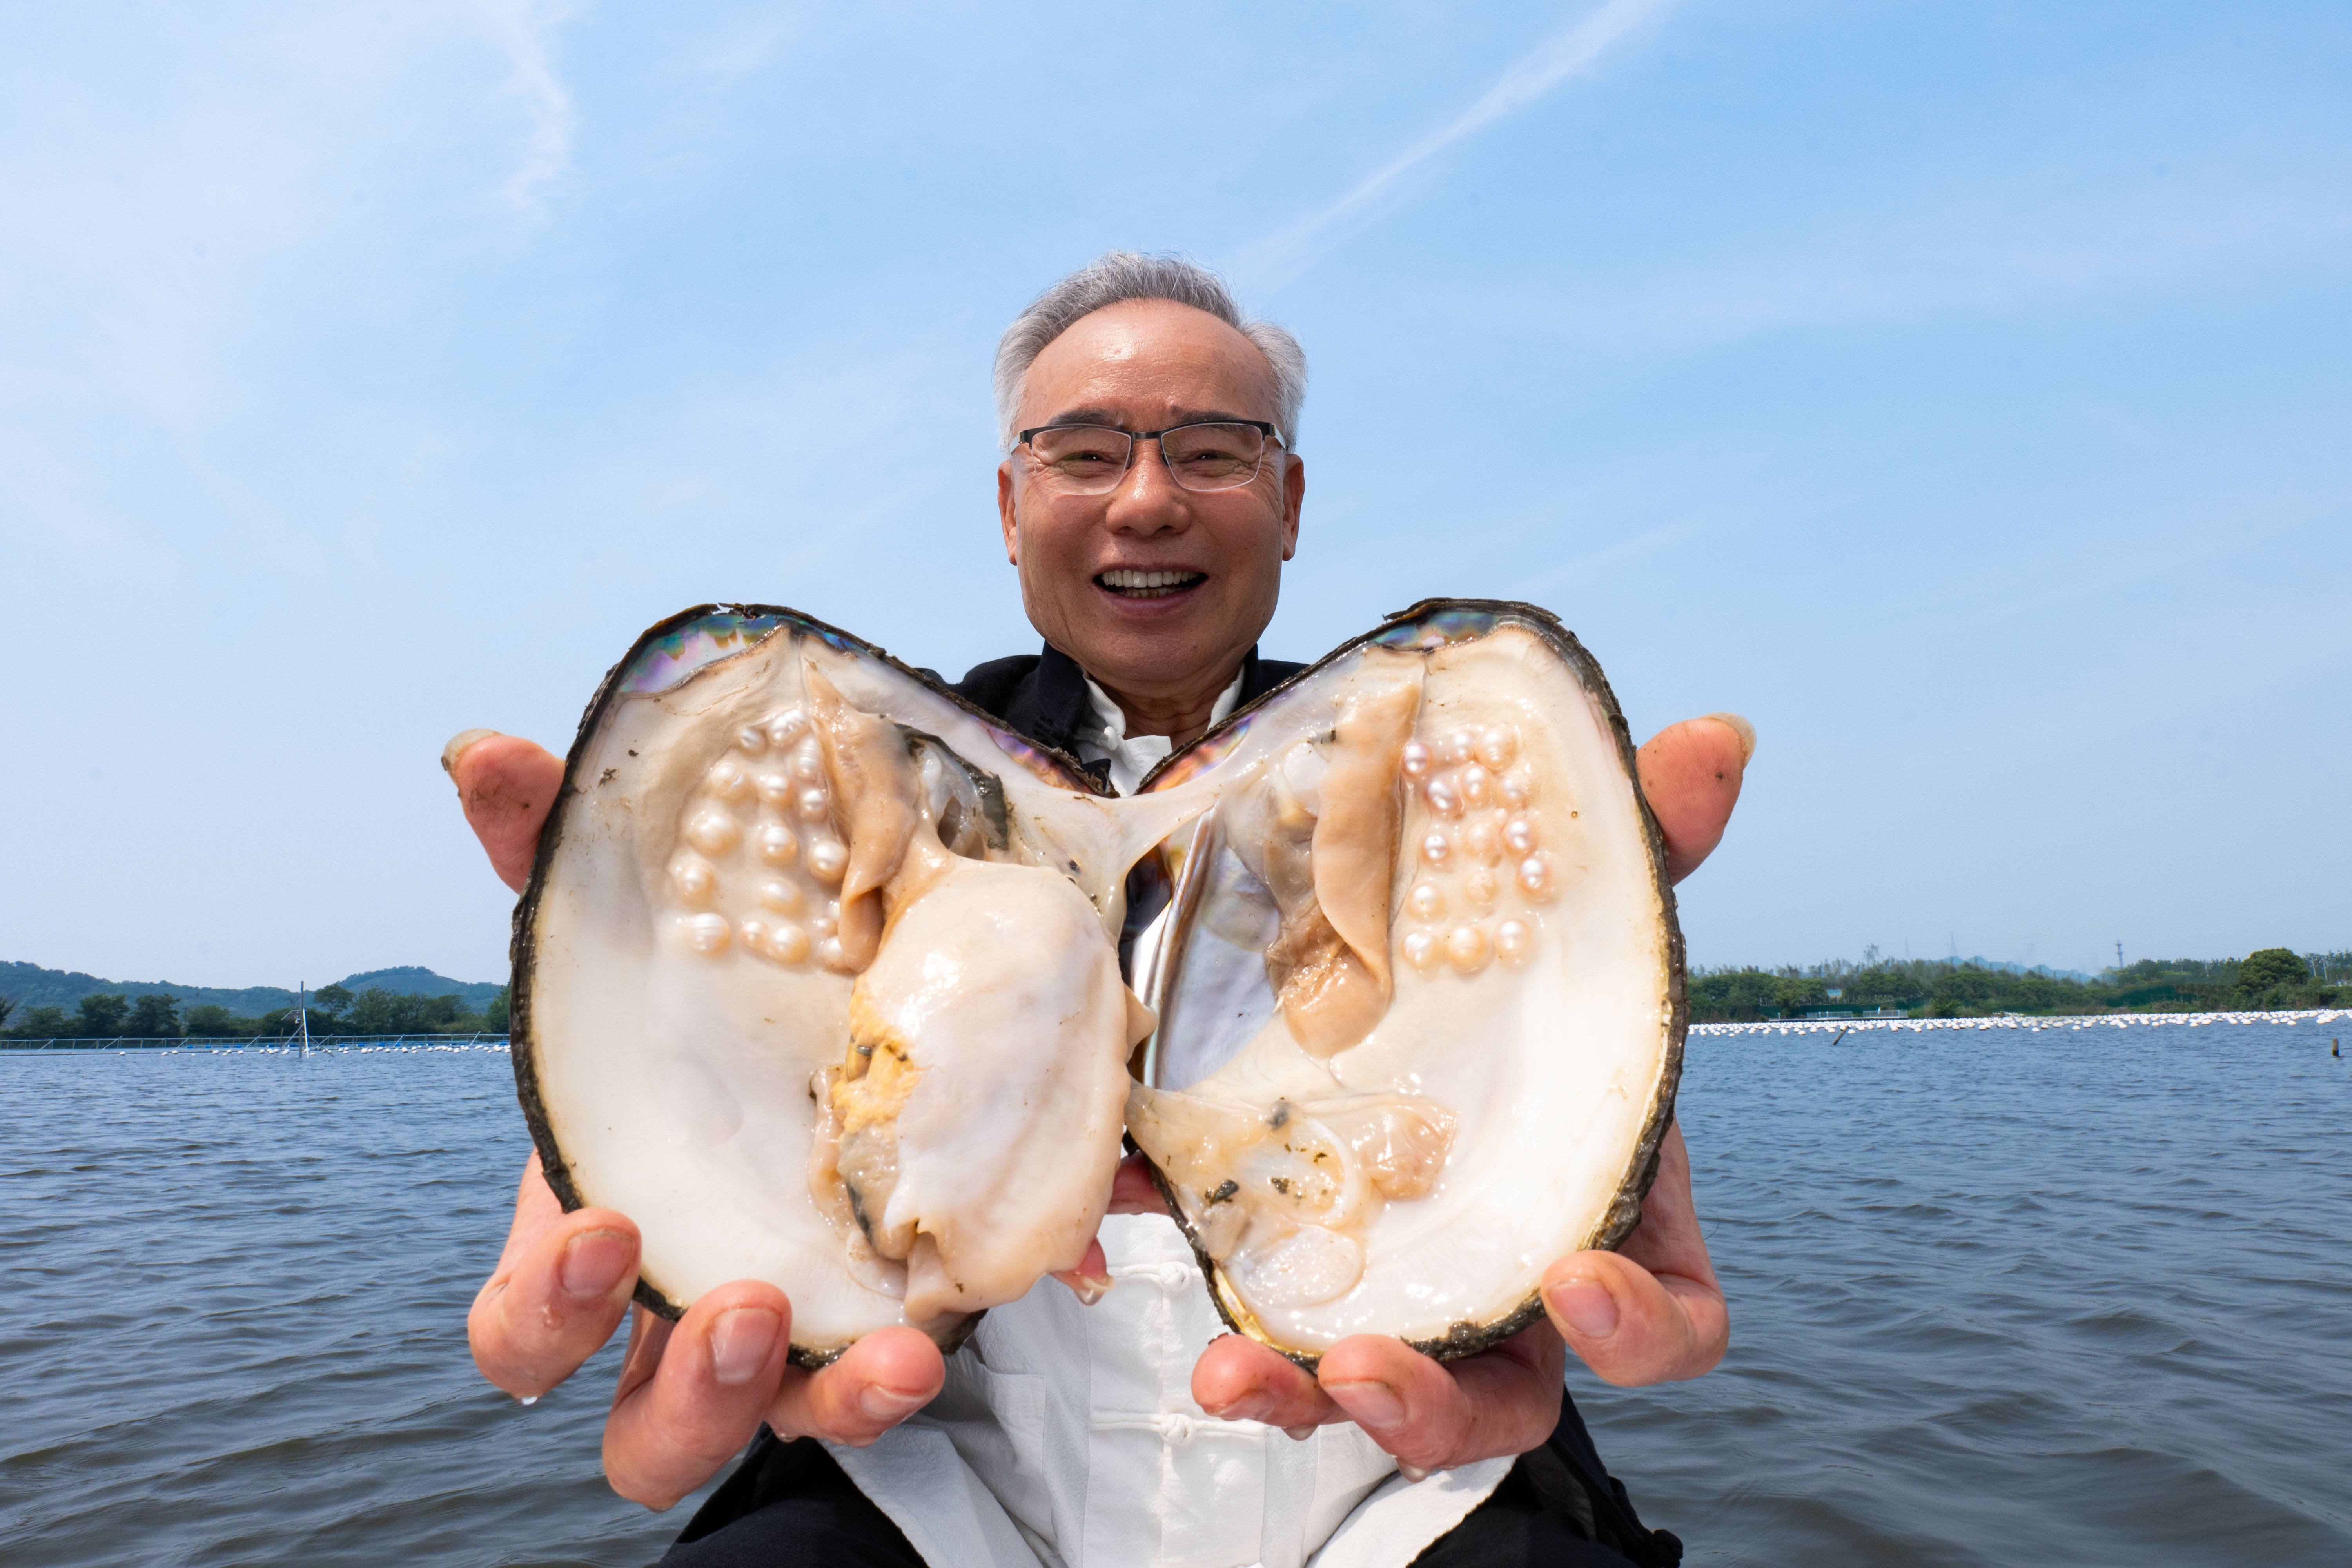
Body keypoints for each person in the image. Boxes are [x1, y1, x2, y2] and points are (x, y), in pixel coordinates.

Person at [448, 253, 1749, 1567]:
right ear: (1010, 508)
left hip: (1411, 1492)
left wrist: (1588, 1091)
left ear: (1289, 503)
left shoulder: (1445, 787)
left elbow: (1527, 1032)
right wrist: (645, 1071)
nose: (1145, 500)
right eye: (1082, 454)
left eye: (1212, 452)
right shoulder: (839, 802)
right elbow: (740, 1055)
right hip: (938, 1499)